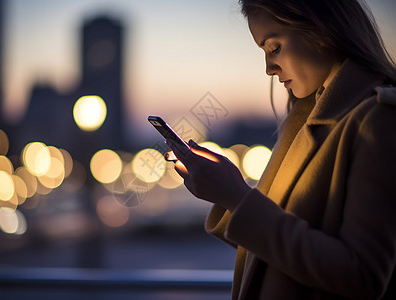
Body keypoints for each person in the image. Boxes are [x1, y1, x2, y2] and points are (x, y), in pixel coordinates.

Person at [166, 0, 396, 299]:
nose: (268, 69)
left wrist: (237, 196)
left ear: (323, 30)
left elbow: (361, 276)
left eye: (274, 48)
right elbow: (281, 251)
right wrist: (230, 195)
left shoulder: (379, 118)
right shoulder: (306, 117)